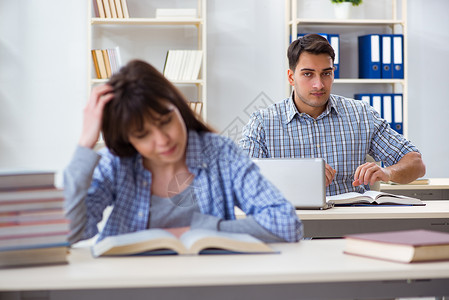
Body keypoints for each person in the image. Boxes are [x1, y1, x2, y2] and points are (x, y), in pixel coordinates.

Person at [64, 59, 302, 246]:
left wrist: (198, 231)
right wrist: (85, 144)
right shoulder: (117, 163)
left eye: (165, 120)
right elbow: (68, 233)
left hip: (206, 286)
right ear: (128, 139)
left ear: (177, 107)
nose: (162, 140)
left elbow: (286, 223)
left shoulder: (220, 153)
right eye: (142, 134)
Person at [239, 34, 425, 196]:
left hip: (349, 226)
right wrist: (297, 177)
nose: (319, 84)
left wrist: (388, 173)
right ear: (291, 77)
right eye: (308, 74)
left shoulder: (361, 115)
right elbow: (240, 180)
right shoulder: (263, 122)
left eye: (326, 73)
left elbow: (416, 163)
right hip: (291, 226)